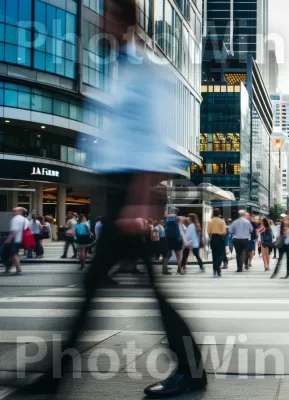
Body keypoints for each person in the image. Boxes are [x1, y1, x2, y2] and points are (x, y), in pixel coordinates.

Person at [27, 3, 207, 396]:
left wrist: (140, 202)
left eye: (106, 14)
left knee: (99, 287)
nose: (99, 20)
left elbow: (153, 139)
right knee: (105, 287)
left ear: (121, 21)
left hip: (130, 189)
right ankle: (55, 375)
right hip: (115, 188)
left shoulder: (145, 70)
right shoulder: (119, 68)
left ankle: (54, 377)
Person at [4, 207, 27, 274]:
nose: (13, 212)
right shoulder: (24, 219)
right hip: (20, 239)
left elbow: (13, 231)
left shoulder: (15, 219)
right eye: (13, 211)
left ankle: (18, 269)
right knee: (13, 254)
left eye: (15, 211)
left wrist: (8, 239)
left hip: (15, 239)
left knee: (13, 254)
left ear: (20, 212)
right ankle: (9, 267)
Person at [208, 208, 227, 277]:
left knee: (214, 254)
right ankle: (218, 268)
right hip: (220, 238)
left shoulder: (210, 221)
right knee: (221, 254)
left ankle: (215, 269)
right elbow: (224, 232)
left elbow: (208, 232)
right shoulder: (222, 221)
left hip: (213, 238)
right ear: (219, 213)